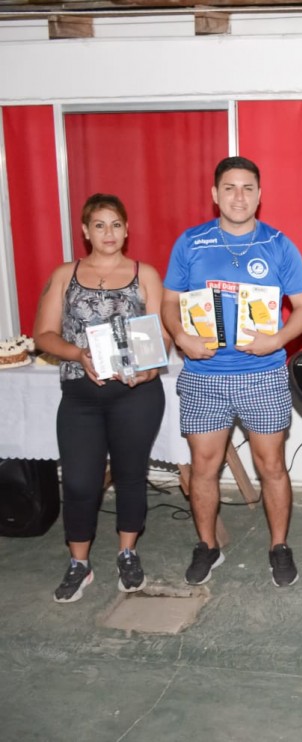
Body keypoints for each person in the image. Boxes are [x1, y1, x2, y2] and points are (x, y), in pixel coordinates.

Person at [161, 156, 302, 588]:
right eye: (229, 188)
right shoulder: (190, 243)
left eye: (248, 188)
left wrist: (277, 339)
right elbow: (169, 302)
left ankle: (279, 546)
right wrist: (180, 335)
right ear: (215, 194)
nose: (239, 197)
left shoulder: (279, 245)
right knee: (204, 467)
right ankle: (208, 546)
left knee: (272, 466)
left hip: (262, 375)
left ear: (259, 195)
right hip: (203, 376)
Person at [34, 194, 167, 603]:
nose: (108, 233)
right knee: (79, 481)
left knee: (130, 475)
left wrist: (151, 367)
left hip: (136, 393)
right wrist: (78, 354)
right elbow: (43, 334)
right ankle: (79, 563)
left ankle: (128, 553)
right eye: (99, 225)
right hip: (81, 395)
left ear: (127, 230)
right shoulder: (65, 274)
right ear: (85, 231)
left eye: (116, 224)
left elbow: (160, 334)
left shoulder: (146, 274)